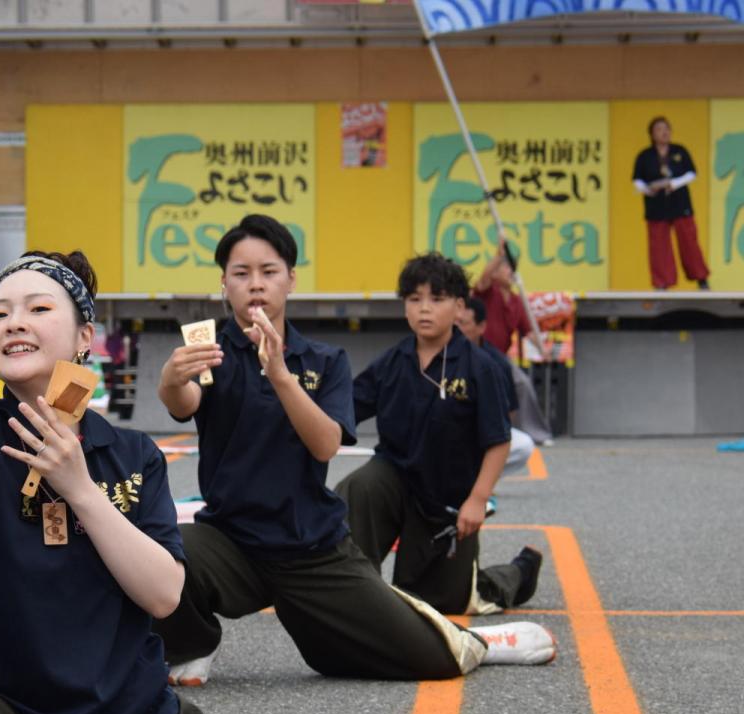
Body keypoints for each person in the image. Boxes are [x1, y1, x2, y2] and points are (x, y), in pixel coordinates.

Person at [0, 244, 433, 714]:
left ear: (85, 338)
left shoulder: (131, 454)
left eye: (39, 308)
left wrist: (82, 490)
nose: (15, 322)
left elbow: (164, 594)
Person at [153, 215, 555, 689]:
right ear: (224, 283)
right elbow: (187, 404)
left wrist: (280, 373)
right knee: (153, 554)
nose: (256, 285)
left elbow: (326, 442)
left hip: (310, 547)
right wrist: (170, 380)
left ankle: (485, 641)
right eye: (241, 274)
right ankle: (196, 641)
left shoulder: (325, 361)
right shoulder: (209, 348)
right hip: (231, 540)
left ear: (291, 279)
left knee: (413, 658)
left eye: (269, 271)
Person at [336, 253, 544, 617]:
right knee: (359, 486)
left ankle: (518, 573)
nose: (424, 309)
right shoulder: (392, 362)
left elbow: (498, 441)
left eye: (437, 299)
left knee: (445, 602)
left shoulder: (482, 368)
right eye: (414, 300)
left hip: (447, 501)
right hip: (396, 481)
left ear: (459, 306)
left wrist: (477, 500)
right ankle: (355, 590)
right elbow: (341, 413)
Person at [472, 244, 553, 446]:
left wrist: (543, 347)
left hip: (501, 358)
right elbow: (483, 278)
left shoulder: (517, 301)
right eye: (505, 267)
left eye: (511, 268)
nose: (510, 272)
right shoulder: (488, 292)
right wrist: (498, 256)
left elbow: (528, 330)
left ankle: (535, 433)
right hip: (477, 352)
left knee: (521, 385)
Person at [458, 295, 534, 476]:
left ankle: (481, 478)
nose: (457, 329)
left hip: (481, 432)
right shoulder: (438, 353)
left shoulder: (497, 363)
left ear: (481, 327)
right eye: (454, 323)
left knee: (523, 445)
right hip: (445, 428)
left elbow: (509, 412)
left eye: (463, 323)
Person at [632, 116, 711, 291]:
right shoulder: (645, 156)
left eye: (667, 128)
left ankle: (701, 279)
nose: (664, 132)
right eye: (659, 129)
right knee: (659, 245)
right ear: (652, 134)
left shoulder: (679, 151)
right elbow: (636, 181)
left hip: (680, 202)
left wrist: (672, 184)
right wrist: (648, 189)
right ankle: (662, 283)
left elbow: (692, 174)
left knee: (689, 241)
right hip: (656, 206)